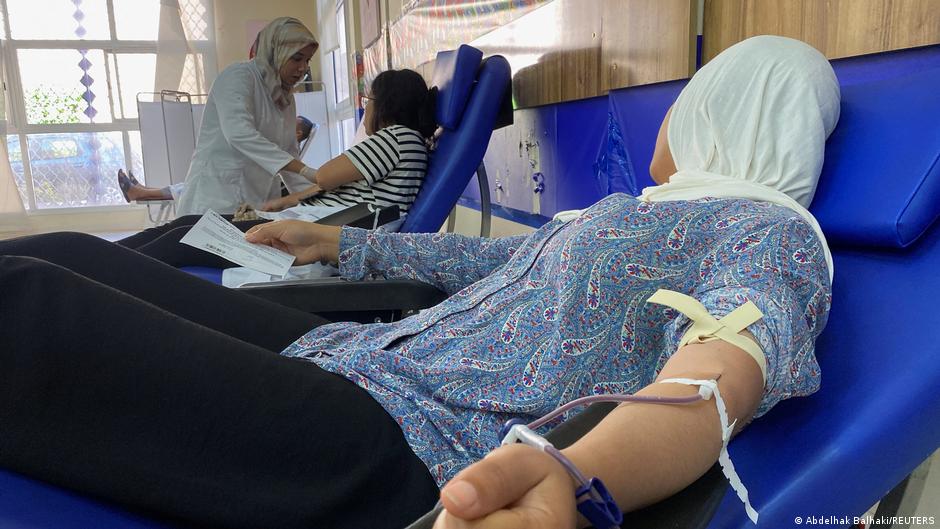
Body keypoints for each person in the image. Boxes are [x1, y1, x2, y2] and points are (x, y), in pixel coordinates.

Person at [0, 35, 838, 529]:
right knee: (73, 252)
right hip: (364, 357)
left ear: (716, 113)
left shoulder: (764, 231)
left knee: (25, 302)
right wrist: (335, 243)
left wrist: (580, 480)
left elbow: (724, 366)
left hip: (410, 440)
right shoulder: (633, 210)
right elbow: (488, 262)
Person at [114, 67, 437, 269]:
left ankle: (104, 268)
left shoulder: (395, 137)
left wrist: (292, 200)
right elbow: (337, 184)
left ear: (386, 104)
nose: (366, 107)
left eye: (369, 99)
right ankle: (101, 259)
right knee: (186, 224)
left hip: (320, 232)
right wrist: (287, 201)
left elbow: (325, 176)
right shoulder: (409, 142)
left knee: (181, 239)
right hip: (321, 222)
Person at [173, 17, 320, 216]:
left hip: (256, 204)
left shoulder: (285, 98)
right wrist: (305, 171)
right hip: (215, 198)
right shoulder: (238, 77)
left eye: (307, 60)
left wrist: (321, 198)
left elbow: (288, 153)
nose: (303, 68)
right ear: (276, 51)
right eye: (296, 58)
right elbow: (239, 134)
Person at [116, 116, 319, 203]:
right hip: (242, 182)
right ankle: (143, 191)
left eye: (292, 121)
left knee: (193, 186)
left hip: (249, 192)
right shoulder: (280, 145)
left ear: (299, 132)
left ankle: (141, 193)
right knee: (194, 183)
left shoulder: (285, 152)